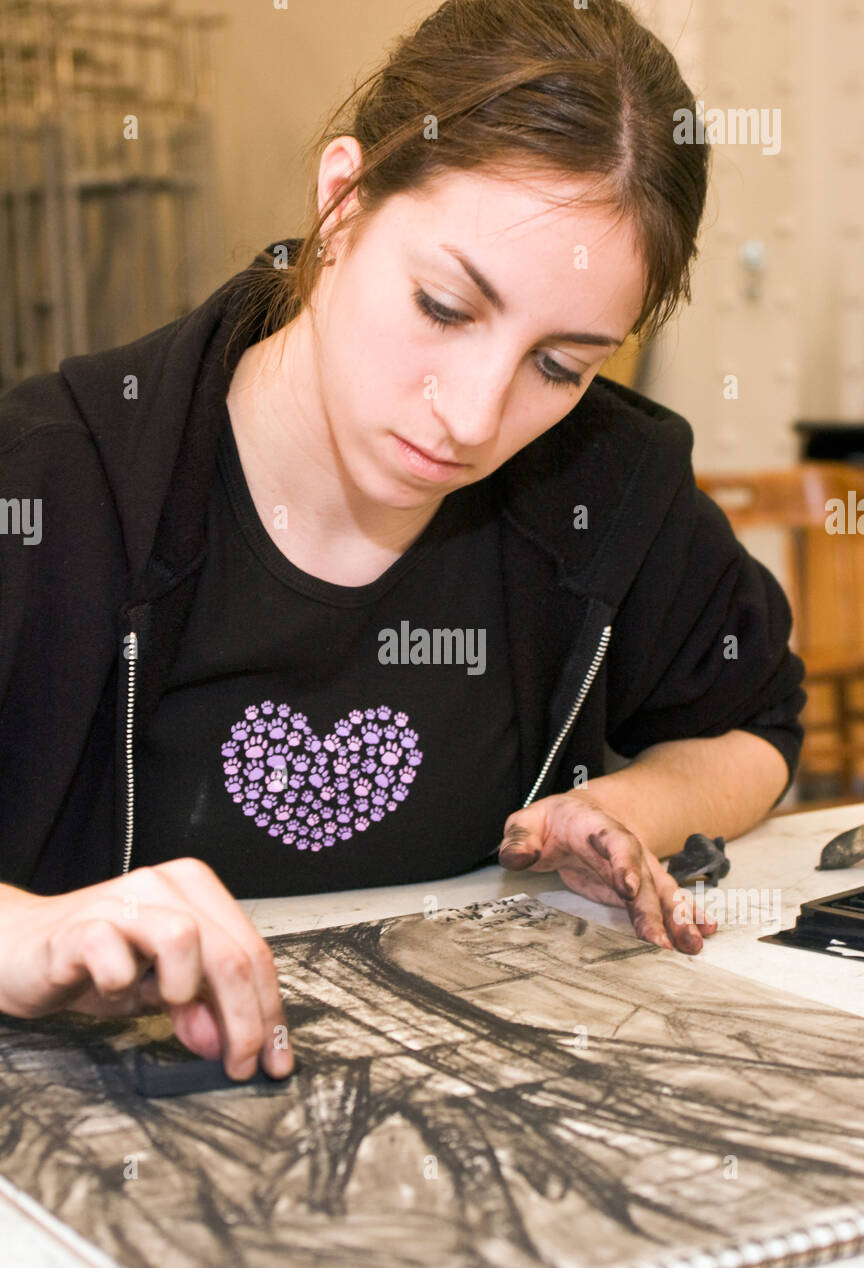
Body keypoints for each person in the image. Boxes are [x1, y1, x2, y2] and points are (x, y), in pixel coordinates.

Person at [0, 0, 805, 1079]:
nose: (473, 417)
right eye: (442, 305)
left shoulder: (605, 485)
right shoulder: (52, 484)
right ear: (340, 203)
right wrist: (24, 934)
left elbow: (754, 728)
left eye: (561, 366)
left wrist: (615, 809)